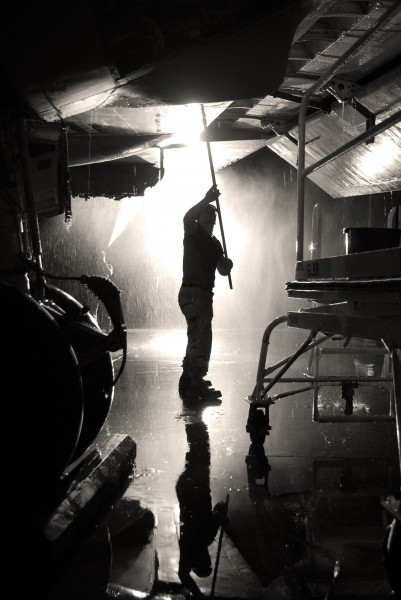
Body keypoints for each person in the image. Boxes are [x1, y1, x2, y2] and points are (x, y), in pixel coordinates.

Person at [178, 185, 233, 399]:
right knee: (201, 337)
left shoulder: (215, 243)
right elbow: (186, 218)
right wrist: (205, 198)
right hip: (193, 293)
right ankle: (196, 381)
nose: (211, 213)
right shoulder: (193, 233)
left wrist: (226, 265)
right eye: (207, 211)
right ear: (200, 217)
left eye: (213, 211)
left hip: (203, 295)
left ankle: (189, 376)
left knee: (196, 336)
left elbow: (220, 269)